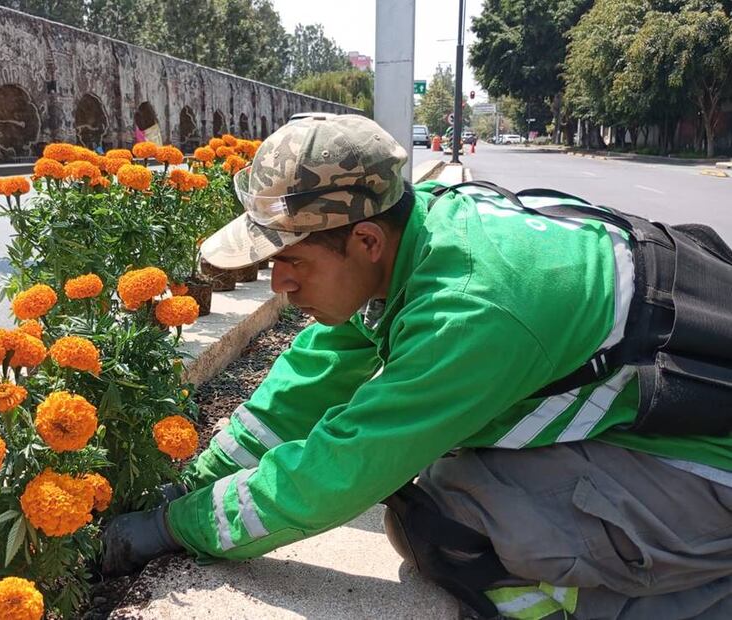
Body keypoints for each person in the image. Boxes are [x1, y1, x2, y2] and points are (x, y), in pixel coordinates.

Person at [102, 114, 732, 619]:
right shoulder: (421, 229)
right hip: (676, 413)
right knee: (435, 475)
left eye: (292, 261)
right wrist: (194, 479)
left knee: (445, 520)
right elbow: (310, 378)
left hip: (709, 468)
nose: (280, 284)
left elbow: (339, 471)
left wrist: (171, 527)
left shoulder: (470, 310)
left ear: (366, 241)